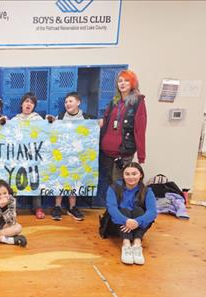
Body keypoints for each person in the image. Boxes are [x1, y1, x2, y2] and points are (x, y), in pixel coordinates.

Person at [52, 92, 95, 221]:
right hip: (62, 155)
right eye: (66, 102)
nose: (67, 104)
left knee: (74, 180)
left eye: (70, 101)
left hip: (79, 156)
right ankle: (57, 206)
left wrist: (98, 125)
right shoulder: (59, 117)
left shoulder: (87, 119)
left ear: (78, 102)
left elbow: (92, 133)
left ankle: (72, 207)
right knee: (60, 179)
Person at [100, 69, 147, 185]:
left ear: (133, 83)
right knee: (110, 182)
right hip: (107, 152)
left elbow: (140, 129)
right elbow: (105, 121)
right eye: (120, 81)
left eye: (126, 80)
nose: (122, 83)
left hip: (123, 152)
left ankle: (120, 204)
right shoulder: (114, 101)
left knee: (119, 183)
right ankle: (113, 203)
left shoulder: (137, 102)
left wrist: (141, 156)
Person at [106, 162, 157, 265]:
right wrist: (126, 221)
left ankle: (137, 245)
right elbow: (111, 208)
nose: (131, 177)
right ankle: (126, 245)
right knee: (124, 210)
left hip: (137, 225)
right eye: (127, 174)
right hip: (118, 225)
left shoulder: (147, 190)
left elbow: (153, 212)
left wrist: (137, 222)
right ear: (123, 175)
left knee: (139, 211)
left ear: (140, 175)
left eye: (134, 174)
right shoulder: (114, 188)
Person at [11, 92, 47, 219]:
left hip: (33, 156)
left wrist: (51, 122)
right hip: (18, 155)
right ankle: (12, 207)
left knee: (35, 179)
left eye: (31, 102)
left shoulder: (38, 119)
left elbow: (46, 132)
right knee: (15, 179)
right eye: (26, 101)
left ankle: (37, 207)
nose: (28, 104)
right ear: (21, 104)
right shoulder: (15, 120)